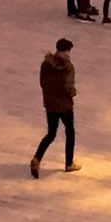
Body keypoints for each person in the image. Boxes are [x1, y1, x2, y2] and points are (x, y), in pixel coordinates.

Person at [30, 37, 80, 178]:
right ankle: (69, 163)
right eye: (68, 51)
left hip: (50, 104)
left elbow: (42, 82)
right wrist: (73, 93)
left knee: (51, 134)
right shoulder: (67, 67)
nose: (69, 54)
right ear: (65, 51)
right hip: (64, 105)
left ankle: (37, 158)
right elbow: (69, 87)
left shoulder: (46, 64)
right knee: (70, 132)